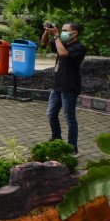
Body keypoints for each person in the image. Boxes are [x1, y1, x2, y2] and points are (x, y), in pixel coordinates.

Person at [40, 21, 86, 155]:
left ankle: (73, 147)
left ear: (75, 33)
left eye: (66, 30)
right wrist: (47, 32)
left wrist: (56, 35)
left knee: (69, 117)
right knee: (51, 114)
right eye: (62, 30)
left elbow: (64, 53)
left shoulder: (79, 47)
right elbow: (44, 43)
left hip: (69, 87)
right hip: (57, 86)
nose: (63, 32)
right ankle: (56, 138)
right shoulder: (62, 43)